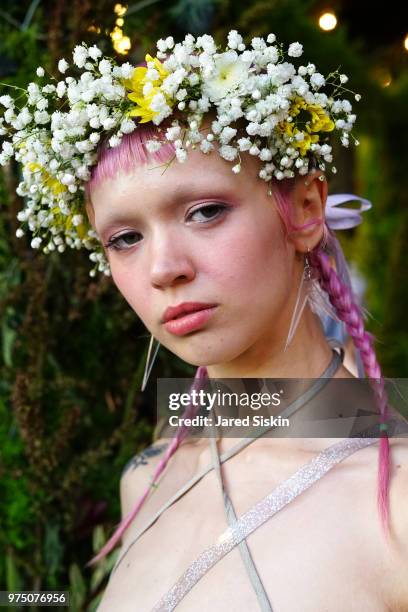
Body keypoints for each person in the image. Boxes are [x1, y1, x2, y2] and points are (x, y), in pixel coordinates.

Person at [2, 30, 408, 611]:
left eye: (205, 211)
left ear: (307, 209)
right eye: (125, 238)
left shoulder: (396, 502)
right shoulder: (145, 484)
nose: (164, 268)